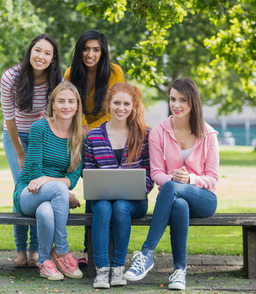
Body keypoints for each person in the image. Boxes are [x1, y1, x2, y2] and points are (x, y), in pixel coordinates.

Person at [124, 78, 219, 290]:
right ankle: (179, 271)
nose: (176, 105)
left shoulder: (208, 134)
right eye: (173, 99)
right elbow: (156, 173)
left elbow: (213, 178)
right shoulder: (159, 132)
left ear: (192, 102)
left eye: (182, 100)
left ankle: (147, 253)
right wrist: (174, 180)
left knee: (172, 188)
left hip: (204, 199)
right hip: (174, 197)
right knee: (178, 204)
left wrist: (190, 179)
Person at [0, 34, 63, 268]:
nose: (41, 56)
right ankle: (20, 250)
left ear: (53, 58)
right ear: (30, 52)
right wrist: (19, 153)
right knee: (21, 187)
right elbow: (10, 118)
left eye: (48, 53)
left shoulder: (57, 79)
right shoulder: (11, 77)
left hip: (40, 135)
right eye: (38, 50)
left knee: (38, 189)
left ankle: (35, 250)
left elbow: (53, 116)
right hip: (14, 134)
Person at [65, 30, 125, 266]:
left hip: (107, 135)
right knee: (85, 182)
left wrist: (93, 129)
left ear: (103, 52)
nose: (91, 54)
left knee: (100, 188)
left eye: (96, 49)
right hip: (78, 134)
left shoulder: (114, 71)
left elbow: (116, 106)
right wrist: (83, 128)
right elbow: (68, 103)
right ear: (79, 50)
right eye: (86, 49)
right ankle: (76, 250)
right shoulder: (70, 74)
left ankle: (95, 250)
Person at [84, 82, 153, 289]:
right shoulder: (94, 136)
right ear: (108, 104)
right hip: (102, 198)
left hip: (134, 201)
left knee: (121, 206)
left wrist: (140, 187)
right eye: (116, 103)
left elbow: (150, 172)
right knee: (104, 206)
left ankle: (118, 269)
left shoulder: (143, 135)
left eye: (126, 104)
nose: (120, 108)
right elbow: (88, 172)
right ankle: (102, 271)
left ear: (133, 106)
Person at [13, 81, 85, 281]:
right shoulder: (39, 128)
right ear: (53, 104)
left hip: (53, 197)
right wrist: (58, 187)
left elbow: (72, 178)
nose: (66, 106)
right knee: (59, 189)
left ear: (77, 106)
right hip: (28, 192)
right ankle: (62, 251)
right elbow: (34, 172)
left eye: (71, 101)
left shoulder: (80, 136)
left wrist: (50, 181)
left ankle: (45, 261)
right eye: (61, 101)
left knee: (45, 212)